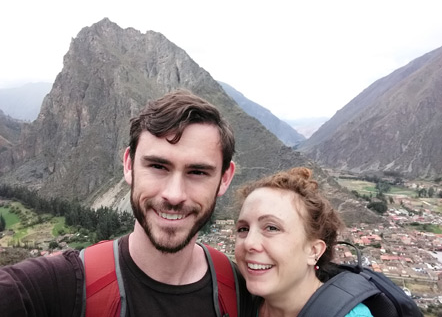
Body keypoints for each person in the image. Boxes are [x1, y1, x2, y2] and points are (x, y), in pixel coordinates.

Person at [0, 89, 251, 316]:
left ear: (225, 178)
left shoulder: (242, 294)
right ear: (129, 165)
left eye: (197, 172)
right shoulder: (66, 285)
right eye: (157, 166)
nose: (174, 195)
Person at [234, 167, 373, 317]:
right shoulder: (235, 302)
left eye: (272, 228)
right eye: (243, 229)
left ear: (313, 250)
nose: (249, 243)